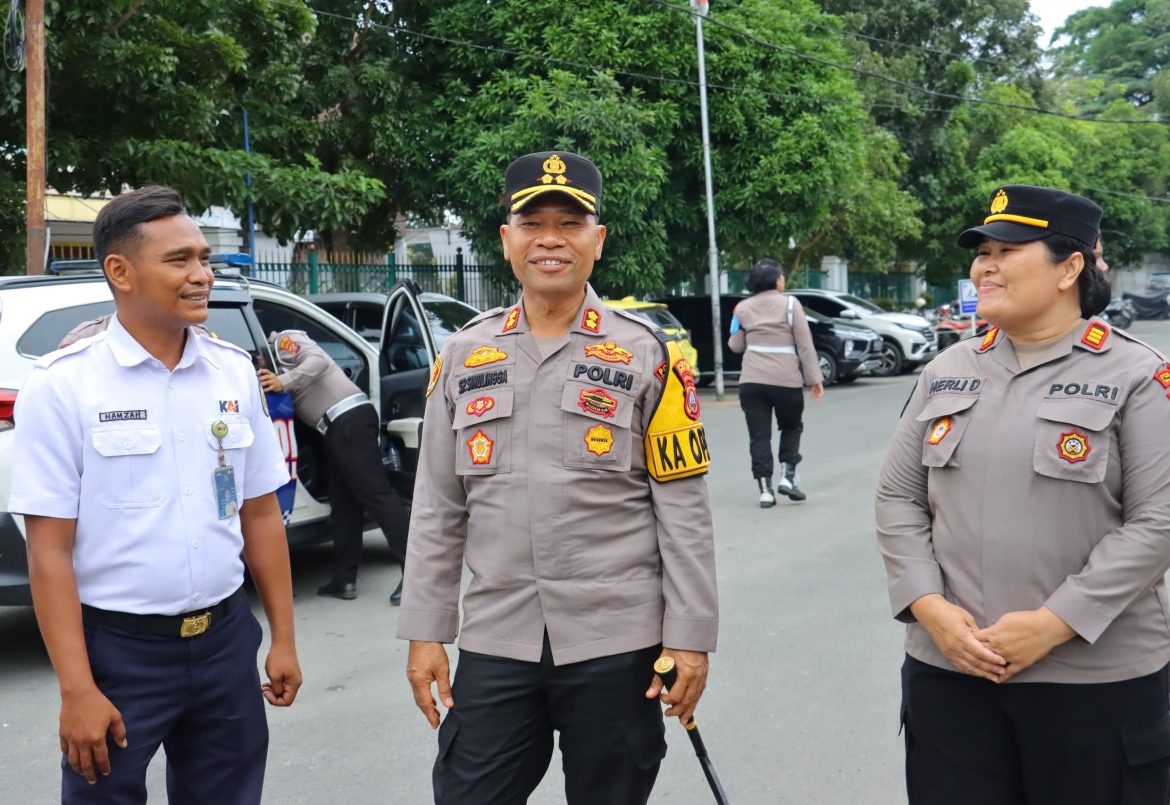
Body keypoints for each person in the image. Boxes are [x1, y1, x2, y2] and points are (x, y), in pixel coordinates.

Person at [397, 151, 718, 804]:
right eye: (533, 221)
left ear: (596, 241)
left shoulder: (647, 353)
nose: (551, 238)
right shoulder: (464, 354)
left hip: (617, 642)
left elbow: (682, 512)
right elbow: (437, 505)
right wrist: (426, 631)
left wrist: (690, 639)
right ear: (507, 240)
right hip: (498, 636)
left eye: (570, 223)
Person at [876, 184, 1170, 803]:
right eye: (982, 250)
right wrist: (928, 606)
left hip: (1093, 684)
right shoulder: (947, 370)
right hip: (948, 673)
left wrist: (1055, 623)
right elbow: (899, 498)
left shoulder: (1137, 374)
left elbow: (1158, 522)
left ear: (1070, 268)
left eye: (1008, 249)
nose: (986, 264)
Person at [11, 185, 301, 802]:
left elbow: (259, 514)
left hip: (225, 641)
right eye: (180, 260)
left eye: (204, 258)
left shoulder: (231, 371)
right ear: (120, 271)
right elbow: (48, 552)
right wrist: (77, 690)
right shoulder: (64, 385)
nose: (203, 275)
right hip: (118, 655)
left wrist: (282, 637)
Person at [258, 330, 409, 604]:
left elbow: (317, 360)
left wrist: (283, 380)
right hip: (334, 428)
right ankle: (344, 579)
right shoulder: (274, 357)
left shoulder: (282, 341)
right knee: (344, 505)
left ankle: (416, 579)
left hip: (348, 420)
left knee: (377, 495)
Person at [728, 258, 824, 507]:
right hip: (786, 381)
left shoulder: (742, 309)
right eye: (781, 275)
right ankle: (788, 478)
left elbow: (735, 345)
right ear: (775, 280)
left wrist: (740, 329)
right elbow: (805, 345)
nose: (784, 279)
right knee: (791, 427)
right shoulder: (791, 305)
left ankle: (765, 491)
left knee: (759, 435)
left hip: (751, 383)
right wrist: (814, 379)